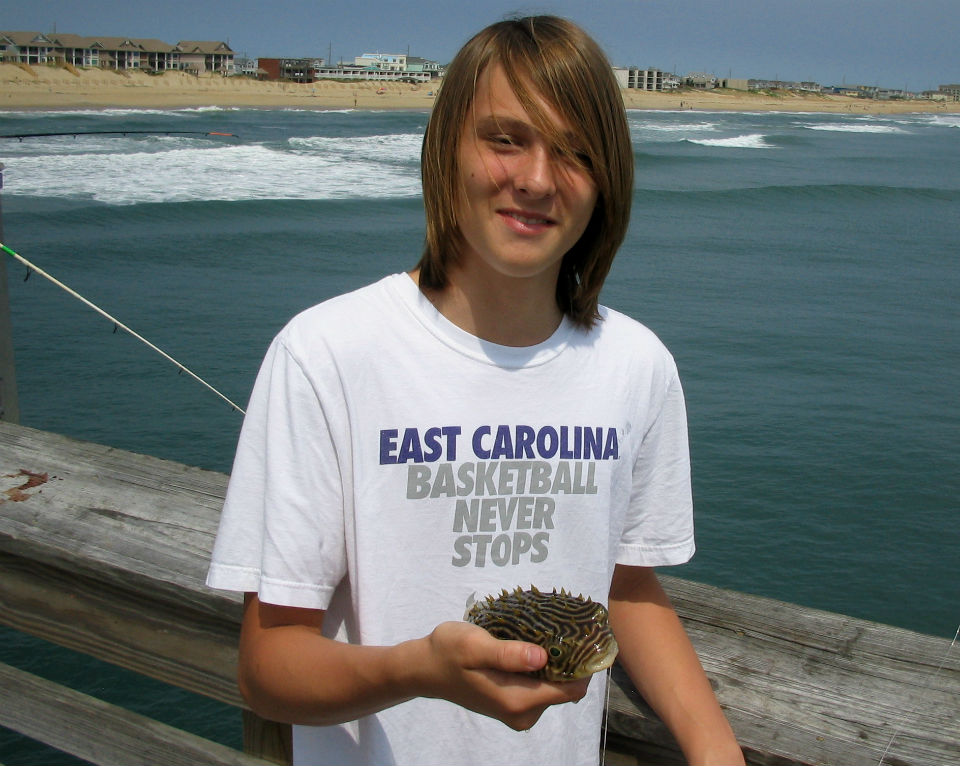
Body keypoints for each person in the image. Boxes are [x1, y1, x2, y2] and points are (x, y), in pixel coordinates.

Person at [206, 15, 744, 766]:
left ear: (608, 181)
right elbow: (268, 669)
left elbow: (622, 582)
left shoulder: (636, 366)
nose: (536, 179)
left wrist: (716, 748)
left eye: (576, 154)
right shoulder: (328, 353)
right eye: (505, 139)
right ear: (447, 147)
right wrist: (418, 670)